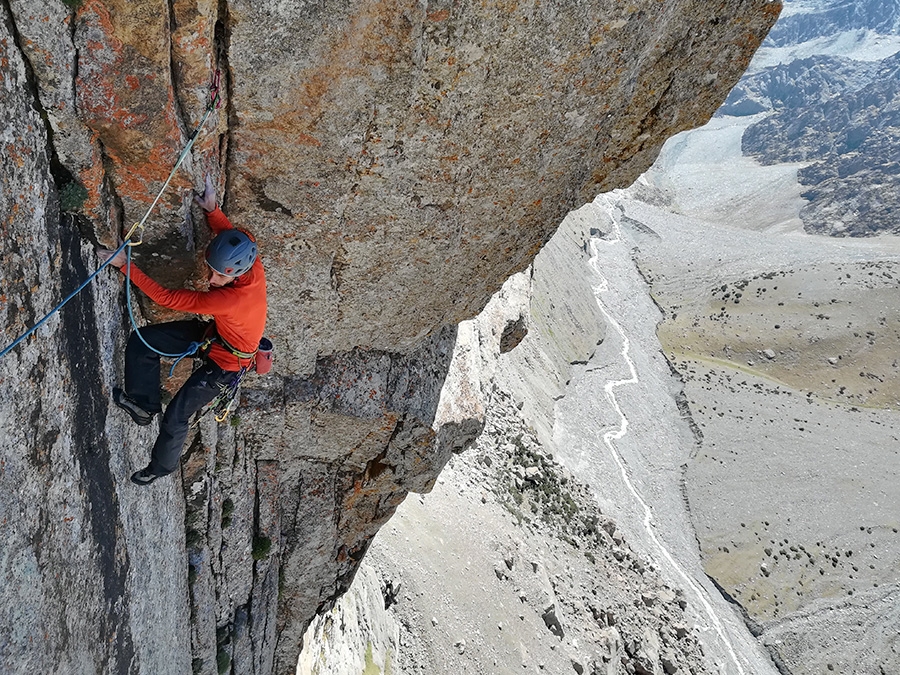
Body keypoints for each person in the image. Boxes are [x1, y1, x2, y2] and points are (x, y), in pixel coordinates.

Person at [97, 176, 268, 486]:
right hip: (216, 337)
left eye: (219, 276)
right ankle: (142, 404)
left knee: (176, 415)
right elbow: (227, 235)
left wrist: (124, 264)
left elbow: (166, 297)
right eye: (212, 269)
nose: (211, 278)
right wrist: (212, 209)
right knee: (143, 341)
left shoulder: (229, 300)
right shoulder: (248, 254)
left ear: (236, 275)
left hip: (226, 365)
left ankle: (159, 468)